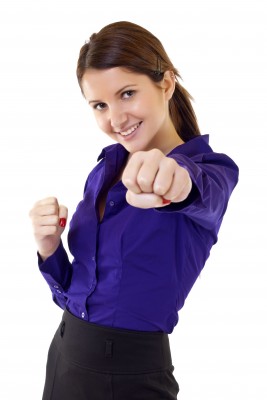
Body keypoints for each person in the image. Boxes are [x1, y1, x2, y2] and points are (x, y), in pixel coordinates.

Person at [29, 21, 239, 400]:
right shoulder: (104, 169)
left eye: (127, 93)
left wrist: (173, 180)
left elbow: (194, 190)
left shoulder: (211, 171)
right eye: (100, 105)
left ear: (167, 84)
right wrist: (49, 248)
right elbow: (79, 291)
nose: (115, 118)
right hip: (63, 355)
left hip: (128, 376)